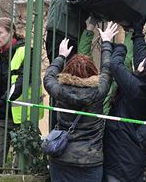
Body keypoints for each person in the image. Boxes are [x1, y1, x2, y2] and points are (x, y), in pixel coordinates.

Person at [43, 22, 118, 182]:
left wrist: (61, 56)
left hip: (61, 156)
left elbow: (48, 76)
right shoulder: (98, 91)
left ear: (68, 70)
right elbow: (107, 69)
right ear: (92, 71)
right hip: (90, 160)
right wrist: (106, 43)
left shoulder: (59, 90)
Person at [102, 19, 146, 182]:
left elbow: (115, 64)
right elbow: (141, 59)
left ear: (144, 69)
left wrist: (116, 45)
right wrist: (138, 34)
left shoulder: (135, 87)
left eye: (142, 63)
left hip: (120, 158)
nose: (139, 61)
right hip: (135, 156)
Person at [0, 17, 42, 173]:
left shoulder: (27, 51)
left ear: (11, 32)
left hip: (24, 117)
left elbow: (22, 81)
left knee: (21, 167)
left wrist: (4, 100)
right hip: (2, 117)